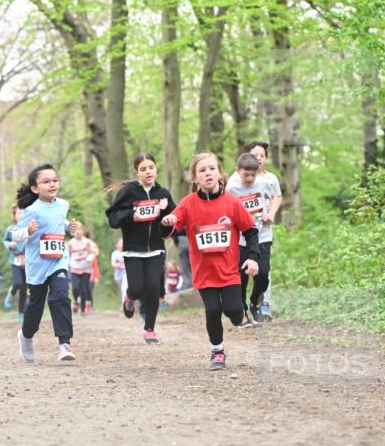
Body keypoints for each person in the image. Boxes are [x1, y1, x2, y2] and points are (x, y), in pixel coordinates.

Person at [161, 151, 259, 371]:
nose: (208, 174)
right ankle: (217, 351)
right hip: (204, 273)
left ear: (220, 173)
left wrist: (253, 258)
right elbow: (168, 230)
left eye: (212, 169)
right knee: (212, 310)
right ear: (195, 178)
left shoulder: (232, 203)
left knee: (234, 311)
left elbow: (251, 231)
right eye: (202, 171)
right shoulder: (188, 203)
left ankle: (239, 315)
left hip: (230, 271)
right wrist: (167, 222)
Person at [13, 164, 81, 363]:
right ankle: (26, 336)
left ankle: (64, 344)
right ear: (35, 188)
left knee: (60, 296)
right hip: (37, 265)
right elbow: (16, 235)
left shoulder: (63, 205)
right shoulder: (31, 210)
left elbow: (59, 221)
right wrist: (29, 232)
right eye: (46, 181)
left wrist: (70, 226)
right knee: (35, 305)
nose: (52, 184)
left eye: (54, 180)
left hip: (58, 260)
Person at [105, 152, 176, 344]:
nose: (148, 172)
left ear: (156, 168)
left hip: (155, 249)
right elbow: (112, 217)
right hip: (133, 250)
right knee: (137, 288)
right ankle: (129, 298)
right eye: (143, 169)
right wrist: (131, 215)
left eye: (151, 167)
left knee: (153, 287)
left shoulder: (163, 194)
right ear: (136, 171)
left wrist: (167, 213)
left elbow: (174, 220)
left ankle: (149, 329)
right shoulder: (128, 192)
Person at [227, 141, 282, 320]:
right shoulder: (232, 186)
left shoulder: (265, 181)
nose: (249, 178)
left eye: (252, 175)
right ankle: (242, 310)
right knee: (242, 277)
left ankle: (255, 302)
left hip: (263, 234)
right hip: (242, 238)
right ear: (238, 171)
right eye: (246, 175)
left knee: (263, 273)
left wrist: (270, 212)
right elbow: (226, 207)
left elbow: (275, 197)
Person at [3, 205, 27, 323]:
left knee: (24, 289)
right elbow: (5, 240)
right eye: (19, 213)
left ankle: (21, 313)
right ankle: (11, 294)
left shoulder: (30, 229)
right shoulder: (11, 229)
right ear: (14, 216)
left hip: (28, 262)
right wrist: (9, 245)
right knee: (17, 283)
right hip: (15, 260)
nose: (21, 215)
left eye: (23, 213)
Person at [68, 225, 98, 315]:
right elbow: (66, 255)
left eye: (79, 229)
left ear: (82, 231)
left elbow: (96, 251)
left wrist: (90, 258)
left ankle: (83, 309)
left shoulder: (88, 242)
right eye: (75, 230)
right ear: (72, 232)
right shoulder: (70, 243)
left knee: (84, 289)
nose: (78, 232)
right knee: (75, 287)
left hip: (86, 268)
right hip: (74, 268)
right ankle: (76, 301)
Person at [111, 237, 128, 302]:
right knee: (122, 289)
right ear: (117, 245)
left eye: (123, 243)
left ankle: (124, 304)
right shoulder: (114, 253)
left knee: (124, 288)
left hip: (126, 273)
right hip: (118, 275)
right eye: (120, 243)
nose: (122, 245)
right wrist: (119, 265)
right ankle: (127, 302)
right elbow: (113, 264)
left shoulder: (127, 253)